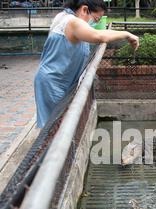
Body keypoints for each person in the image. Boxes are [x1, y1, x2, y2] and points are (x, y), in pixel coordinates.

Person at [34, 0, 139, 128]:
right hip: (53, 82)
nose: (94, 23)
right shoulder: (73, 22)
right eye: (95, 19)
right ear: (84, 10)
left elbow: (99, 34)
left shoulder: (64, 17)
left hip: (58, 79)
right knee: (53, 127)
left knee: (58, 124)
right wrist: (127, 34)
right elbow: (99, 35)